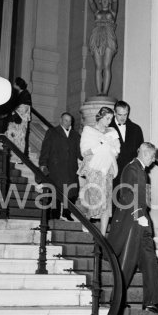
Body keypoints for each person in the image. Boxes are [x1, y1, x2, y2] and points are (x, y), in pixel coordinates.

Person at [107, 142, 158, 315]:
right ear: (146, 154)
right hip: (133, 223)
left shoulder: (141, 171)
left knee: (150, 260)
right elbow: (126, 195)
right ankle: (116, 301)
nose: (154, 160)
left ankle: (152, 301)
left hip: (142, 222)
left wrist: (145, 219)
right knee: (127, 263)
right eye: (152, 156)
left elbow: (142, 198)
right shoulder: (131, 169)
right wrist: (139, 215)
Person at [78, 106, 120, 234]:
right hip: (94, 168)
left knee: (106, 202)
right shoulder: (89, 130)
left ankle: (102, 234)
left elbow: (117, 151)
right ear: (100, 116)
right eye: (107, 118)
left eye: (111, 119)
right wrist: (101, 144)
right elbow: (85, 152)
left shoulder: (112, 131)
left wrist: (111, 146)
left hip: (107, 168)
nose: (109, 121)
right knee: (94, 197)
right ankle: (87, 220)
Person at [39, 112, 81, 220]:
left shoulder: (75, 135)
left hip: (71, 168)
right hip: (56, 168)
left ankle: (66, 213)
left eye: (70, 121)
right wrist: (43, 164)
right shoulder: (52, 132)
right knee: (56, 192)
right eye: (65, 120)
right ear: (60, 120)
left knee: (72, 192)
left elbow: (80, 153)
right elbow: (45, 149)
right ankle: (55, 216)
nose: (68, 123)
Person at [87, 0, 118, 96]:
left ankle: (104, 92)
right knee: (98, 67)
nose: (105, 1)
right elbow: (91, 2)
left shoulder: (112, 12)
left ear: (109, 1)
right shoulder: (97, 12)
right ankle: (99, 91)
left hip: (109, 37)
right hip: (96, 37)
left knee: (106, 66)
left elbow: (115, 2)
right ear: (100, 1)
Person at [110, 100, 144, 187]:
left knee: (131, 199)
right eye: (120, 114)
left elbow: (140, 152)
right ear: (114, 113)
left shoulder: (136, 129)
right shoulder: (107, 128)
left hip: (131, 173)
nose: (123, 118)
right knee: (114, 199)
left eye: (125, 114)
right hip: (113, 173)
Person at [0, 77, 31, 152]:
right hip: (15, 120)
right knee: (12, 137)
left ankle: (17, 157)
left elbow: (24, 108)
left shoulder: (25, 95)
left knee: (19, 138)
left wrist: (12, 116)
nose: (13, 85)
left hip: (20, 121)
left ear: (18, 85)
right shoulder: (19, 94)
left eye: (15, 83)